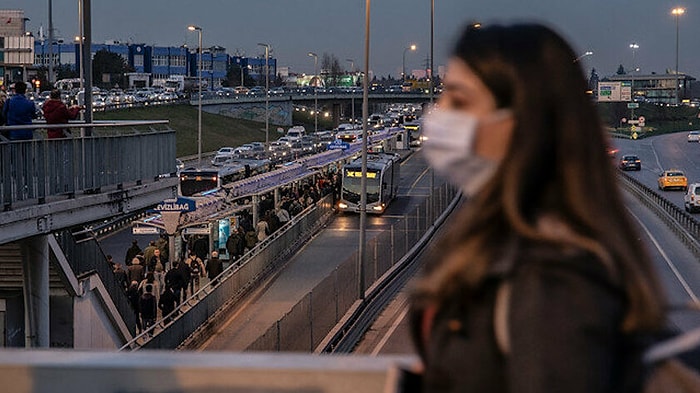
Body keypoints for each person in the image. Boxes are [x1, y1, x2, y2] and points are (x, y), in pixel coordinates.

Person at [409, 23, 665, 393]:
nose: (437, 115)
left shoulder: (554, 283)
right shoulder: (501, 238)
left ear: (521, 124)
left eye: (459, 101)